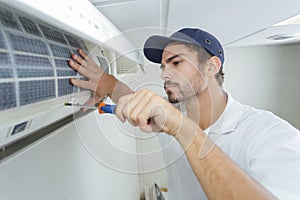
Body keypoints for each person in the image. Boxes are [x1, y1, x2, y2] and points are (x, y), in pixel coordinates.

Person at [68, 28, 300, 199]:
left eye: (176, 63)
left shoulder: (271, 135)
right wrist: (108, 84)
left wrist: (183, 128)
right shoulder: (172, 116)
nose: (164, 75)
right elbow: (135, 100)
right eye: (162, 66)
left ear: (211, 66)